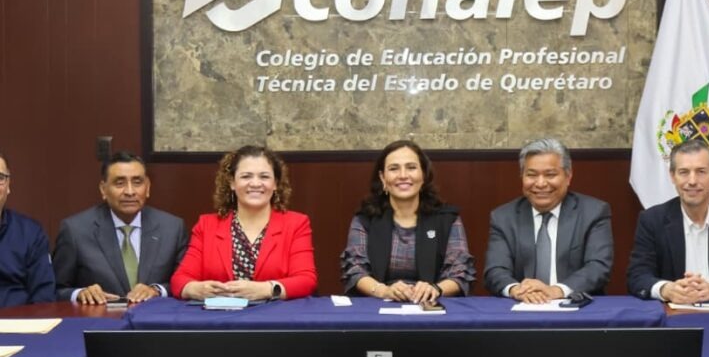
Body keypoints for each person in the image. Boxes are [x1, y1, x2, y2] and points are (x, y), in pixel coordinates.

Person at [171, 145, 317, 300]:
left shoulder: (296, 224)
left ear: (275, 183)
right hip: (219, 313)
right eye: (246, 176)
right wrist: (194, 289)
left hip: (276, 313)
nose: (255, 183)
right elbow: (180, 280)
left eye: (264, 177)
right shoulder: (206, 225)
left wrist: (267, 289)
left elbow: (306, 280)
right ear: (232, 183)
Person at [626, 139, 709, 304]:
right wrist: (666, 289)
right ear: (672, 176)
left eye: (701, 171)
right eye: (684, 172)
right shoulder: (652, 219)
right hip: (673, 313)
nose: (692, 181)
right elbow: (637, 275)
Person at [340, 140, 475, 303]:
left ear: (424, 175)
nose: (403, 175)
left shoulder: (447, 218)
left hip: (432, 306)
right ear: (382, 177)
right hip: (377, 305)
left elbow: (460, 270)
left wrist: (435, 289)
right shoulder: (365, 218)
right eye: (394, 169)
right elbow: (355, 268)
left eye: (411, 167)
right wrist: (384, 291)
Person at [484, 138, 613, 303]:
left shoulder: (593, 212)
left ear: (568, 176)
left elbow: (598, 267)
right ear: (522, 177)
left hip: (576, 306)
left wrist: (556, 290)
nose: (540, 183)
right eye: (531, 175)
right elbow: (495, 270)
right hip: (523, 306)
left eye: (550, 175)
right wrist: (516, 290)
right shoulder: (503, 217)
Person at [53, 151, 188, 304]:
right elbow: (56, 289)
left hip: (154, 316)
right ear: (103, 189)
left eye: (137, 182)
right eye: (119, 183)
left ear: (148, 187)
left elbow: (185, 283)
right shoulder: (75, 230)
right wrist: (79, 293)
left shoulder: (172, 228)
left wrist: (157, 290)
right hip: (100, 317)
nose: (130, 192)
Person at [0, 153, 55, 307]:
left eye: (0, 177)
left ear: (8, 186)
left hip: (18, 320)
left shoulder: (31, 234)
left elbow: (44, 297)